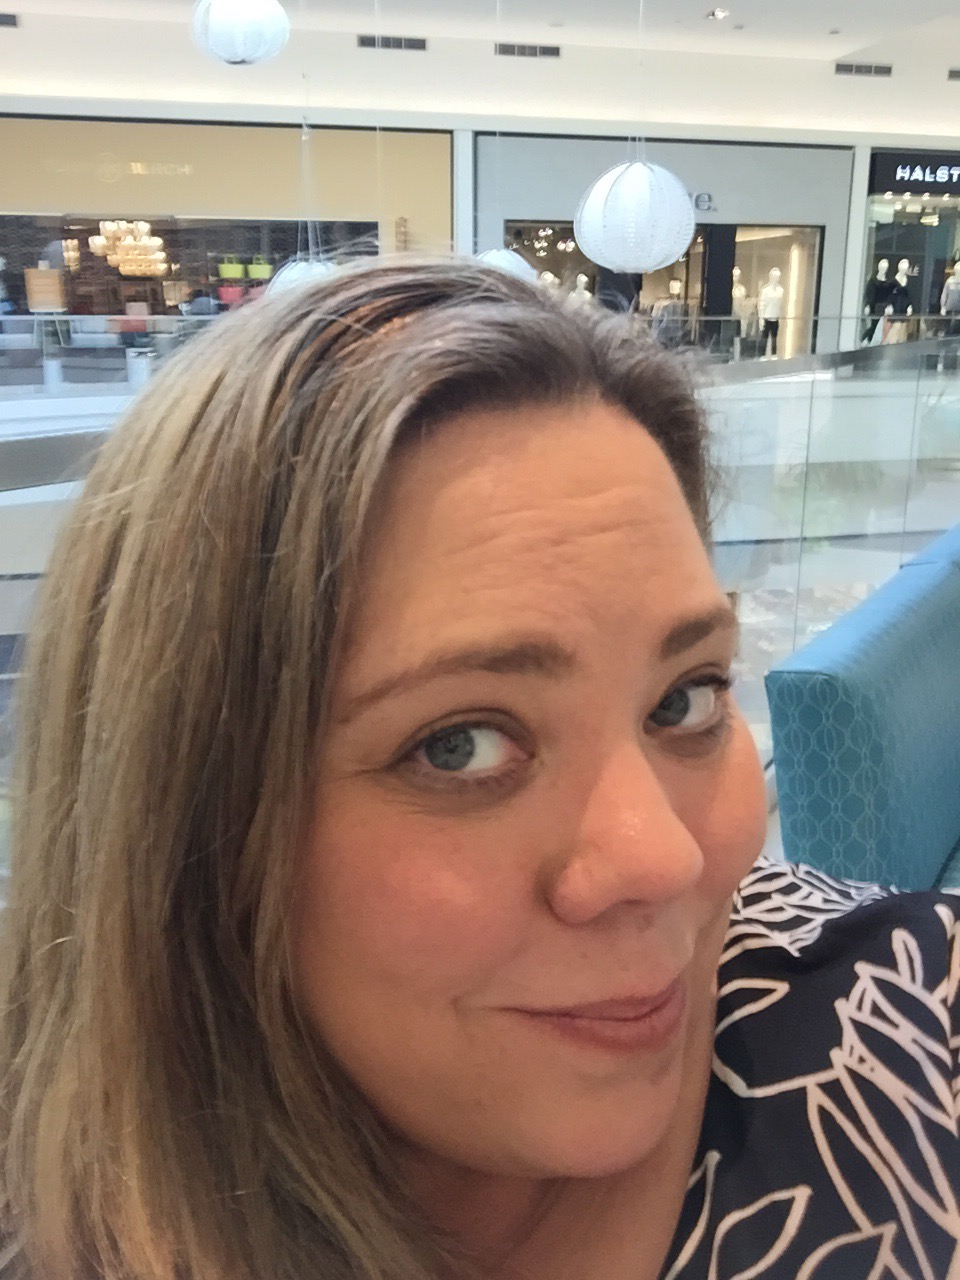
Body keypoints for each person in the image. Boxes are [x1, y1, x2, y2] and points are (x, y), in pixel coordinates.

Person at [0, 260, 957, 1280]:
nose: (664, 858)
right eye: (460, 744)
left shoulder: (914, 1030)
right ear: (183, 829)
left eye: (685, 700)